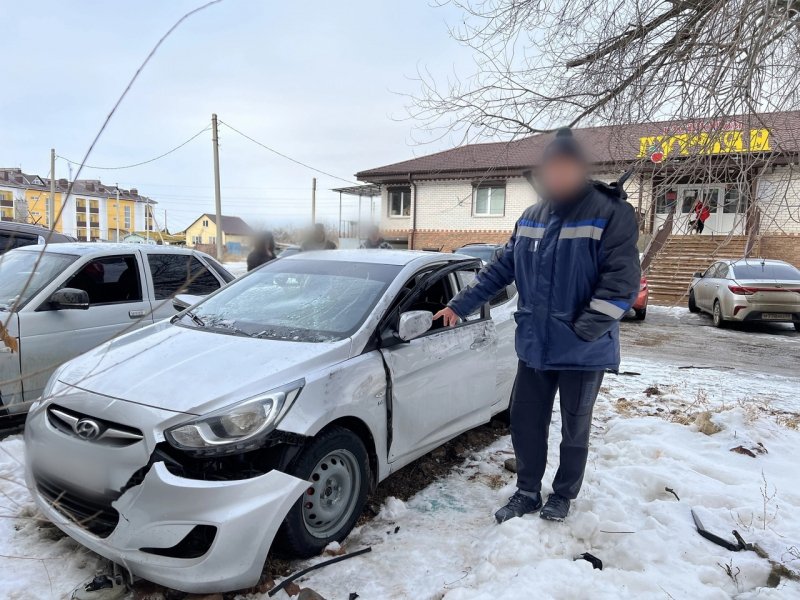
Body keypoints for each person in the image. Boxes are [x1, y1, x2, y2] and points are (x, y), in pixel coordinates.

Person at [434, 128, 640, 523]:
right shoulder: (531, 217)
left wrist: (583, 330)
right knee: (526, 423)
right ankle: (526, 491)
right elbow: (500, 270)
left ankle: (563, 494)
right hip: (534, 345)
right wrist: (459, 306)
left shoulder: (610, 212)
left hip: (583, 349)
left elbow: (622, 283)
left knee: (574, 428)